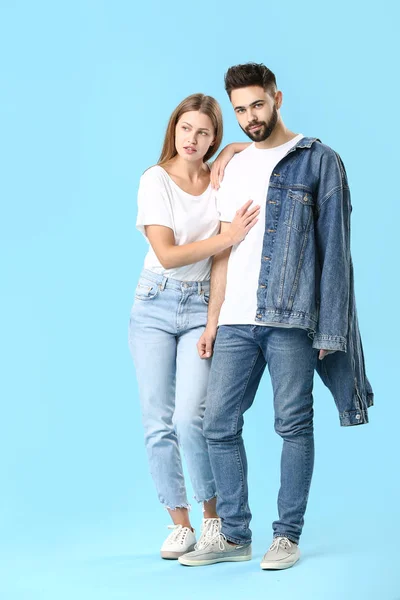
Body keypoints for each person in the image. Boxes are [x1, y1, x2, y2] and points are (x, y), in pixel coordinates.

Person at [178, 63, 373, 569]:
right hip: (238, 320)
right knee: (217, 423)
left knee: (292, 424)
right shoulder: (234, 165)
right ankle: (235, 535)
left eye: (257, 105)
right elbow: (223, 251)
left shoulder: (319, 161)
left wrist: (329, 328)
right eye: (240, 110)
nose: (249, 118)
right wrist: (214, 319)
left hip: (292, 318)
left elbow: (336, 251)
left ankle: (286, 536)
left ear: (277, 98)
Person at [128, 93, 259, 559]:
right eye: (186, 129)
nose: (193, 139)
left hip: (202, 305)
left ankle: (213, 522)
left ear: (213, 137)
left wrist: (227, 153)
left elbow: (270, 141)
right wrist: (226, 237)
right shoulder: (154, 180)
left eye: (204, 132)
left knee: (192, 418)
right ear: (174, 129)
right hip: (154, 304)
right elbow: (167, 254)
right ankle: (178, 523)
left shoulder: (219, 177)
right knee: (157, 422)